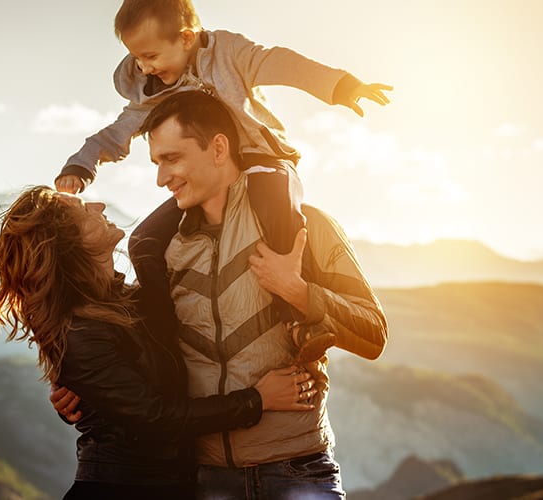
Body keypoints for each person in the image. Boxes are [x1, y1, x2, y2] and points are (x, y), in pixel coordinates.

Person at [54, 90, 389, 499]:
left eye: (172, 159)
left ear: (218, 149)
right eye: (157, 162)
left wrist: (298, 290)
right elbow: (134, 343)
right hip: (204, 479)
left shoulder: (306, 227)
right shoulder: (163, 251)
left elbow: (374, 335)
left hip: (296, 471)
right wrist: (82, 392)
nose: (161, 178)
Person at [54, 0, 390, 351]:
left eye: (151, 56)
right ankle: (161, 333)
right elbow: (119, 130)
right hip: (197, 382)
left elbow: (278, 63)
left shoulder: (228, 54)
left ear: (186, 38)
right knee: (143, 239)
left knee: (271, 195)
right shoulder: (153, 91)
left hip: (263, 159)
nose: (144, 67)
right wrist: (81, 165)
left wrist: (340, 86)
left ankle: (294, 317)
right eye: (137, 58)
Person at [0, 186, 321, 499]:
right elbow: (156, 419)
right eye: (83, 211)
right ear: (68, 242)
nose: (99, 205)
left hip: (170, 484)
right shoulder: (80, 331)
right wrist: (257, 400)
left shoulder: (129, 300)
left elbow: (187, 194)